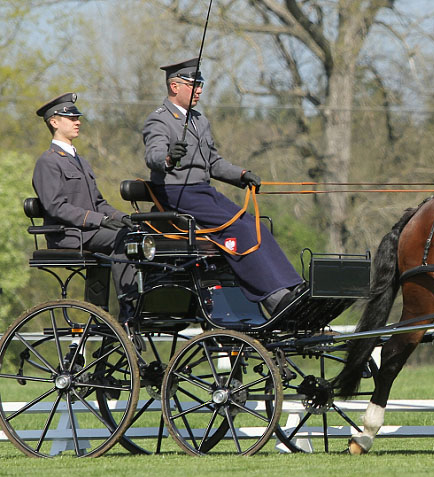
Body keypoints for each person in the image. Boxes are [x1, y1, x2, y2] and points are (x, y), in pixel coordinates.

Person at [142, 58, 304, 315]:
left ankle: (292, 286)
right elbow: (153, 156)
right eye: (194, 84)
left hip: (203, 192)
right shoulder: (159, 120)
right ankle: (273, 299)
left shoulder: (199, 121)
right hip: (178, 193)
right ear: (174, 86)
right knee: (238, 229)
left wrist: (242, 175)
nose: (200, 90)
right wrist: (169, 157)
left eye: (201, 84)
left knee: (255, 225)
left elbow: (214, 163)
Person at [32, 92, 136, 320]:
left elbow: (99, 203)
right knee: (124, 239)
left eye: (78, 117)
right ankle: (128, 309)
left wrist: (124, 217)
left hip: (89, 232)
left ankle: (105, 316)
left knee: (134, 234)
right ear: (54, 122)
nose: (78, 121)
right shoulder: (48, 162)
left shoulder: (81, 161)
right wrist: (100, 220)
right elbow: (56, 207)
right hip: (68, 234)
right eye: (71, 118)